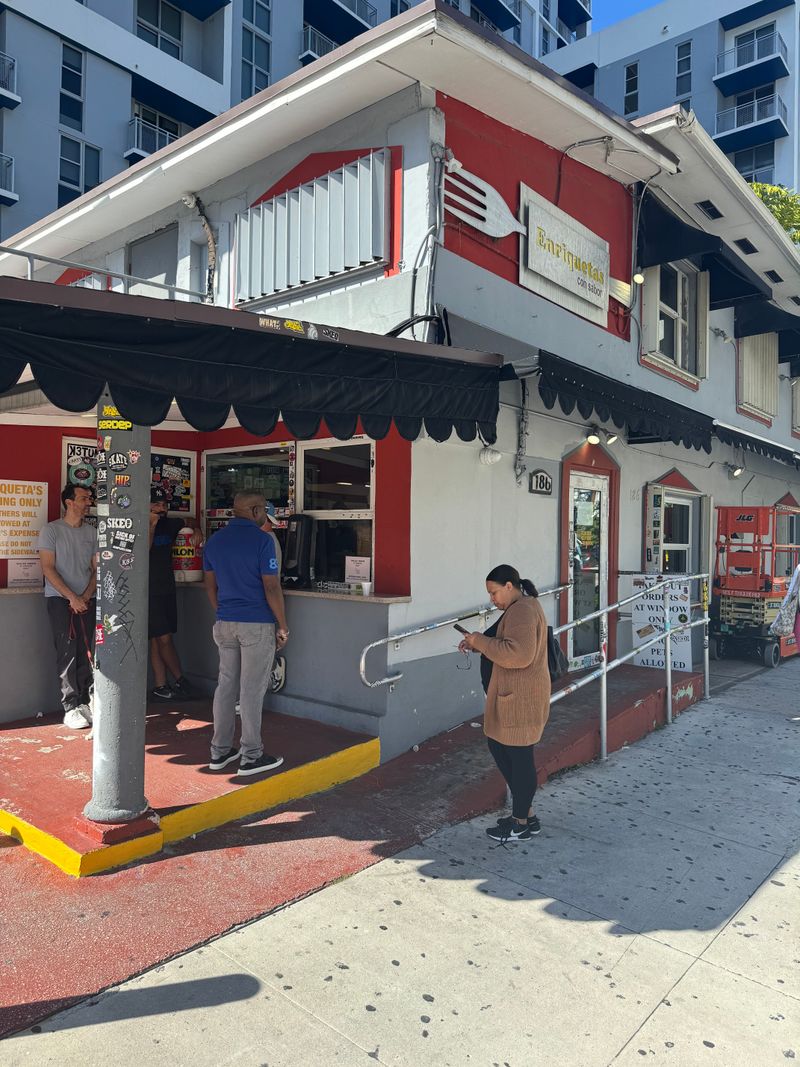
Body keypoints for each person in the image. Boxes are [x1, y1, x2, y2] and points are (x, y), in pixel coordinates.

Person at [459, 564, 550, 843]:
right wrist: (478, 643)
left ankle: (520, 823)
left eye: (494, 592)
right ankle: (527, 816)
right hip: (514, 697)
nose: (492, 599)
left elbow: (519, 654)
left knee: (518, 760)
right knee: (502, 749)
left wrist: (481, 642)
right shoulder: (520, 607)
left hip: (520, 700)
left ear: (509, 586)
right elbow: (504, 643)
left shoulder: (522, 610)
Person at [203, 491, 289, 777]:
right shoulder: (263, 541)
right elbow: (271, 587)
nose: (265, 514)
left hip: (224, 622)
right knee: (251, 690)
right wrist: (282, 624)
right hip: (256, 623)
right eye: (264, 509)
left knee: (226, 686)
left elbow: (210, 586)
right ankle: (251, 755)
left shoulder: (214, 541)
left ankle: (220, 751)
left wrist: (223, 612)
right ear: (254, 511)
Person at [37, 484, 97, 729]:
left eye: (89, 498)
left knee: (85, 651)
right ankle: (70, 706)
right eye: (84, 498)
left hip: (87, 600)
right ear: (69, 502)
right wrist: (72, 597)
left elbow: (97, 569)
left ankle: (84, 701)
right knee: (66, 652)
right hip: (60, 600)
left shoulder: (92, 532)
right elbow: (47, 568)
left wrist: (85, 596)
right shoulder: (51, 530)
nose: (88, 503)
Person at [148, 486, 202, 703]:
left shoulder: (169, 524)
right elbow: (144, 551)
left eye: (164, 505)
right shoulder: (136, 528)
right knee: (164, 638)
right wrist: (150, 525)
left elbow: (189, 520)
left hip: (166, 588)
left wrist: (197, 528)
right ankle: (181, 680)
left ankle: (161, 685)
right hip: (148, 591)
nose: (161, 509)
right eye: (156, 505)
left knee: (157, 639)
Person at [260, 502, 287, 694]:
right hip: (257, 604)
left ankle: (273, 668)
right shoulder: (261, 540)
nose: (269, 525)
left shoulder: (268, 540)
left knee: (259, 653)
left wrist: (282, 622)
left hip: (264, 603)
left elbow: (271, 583)